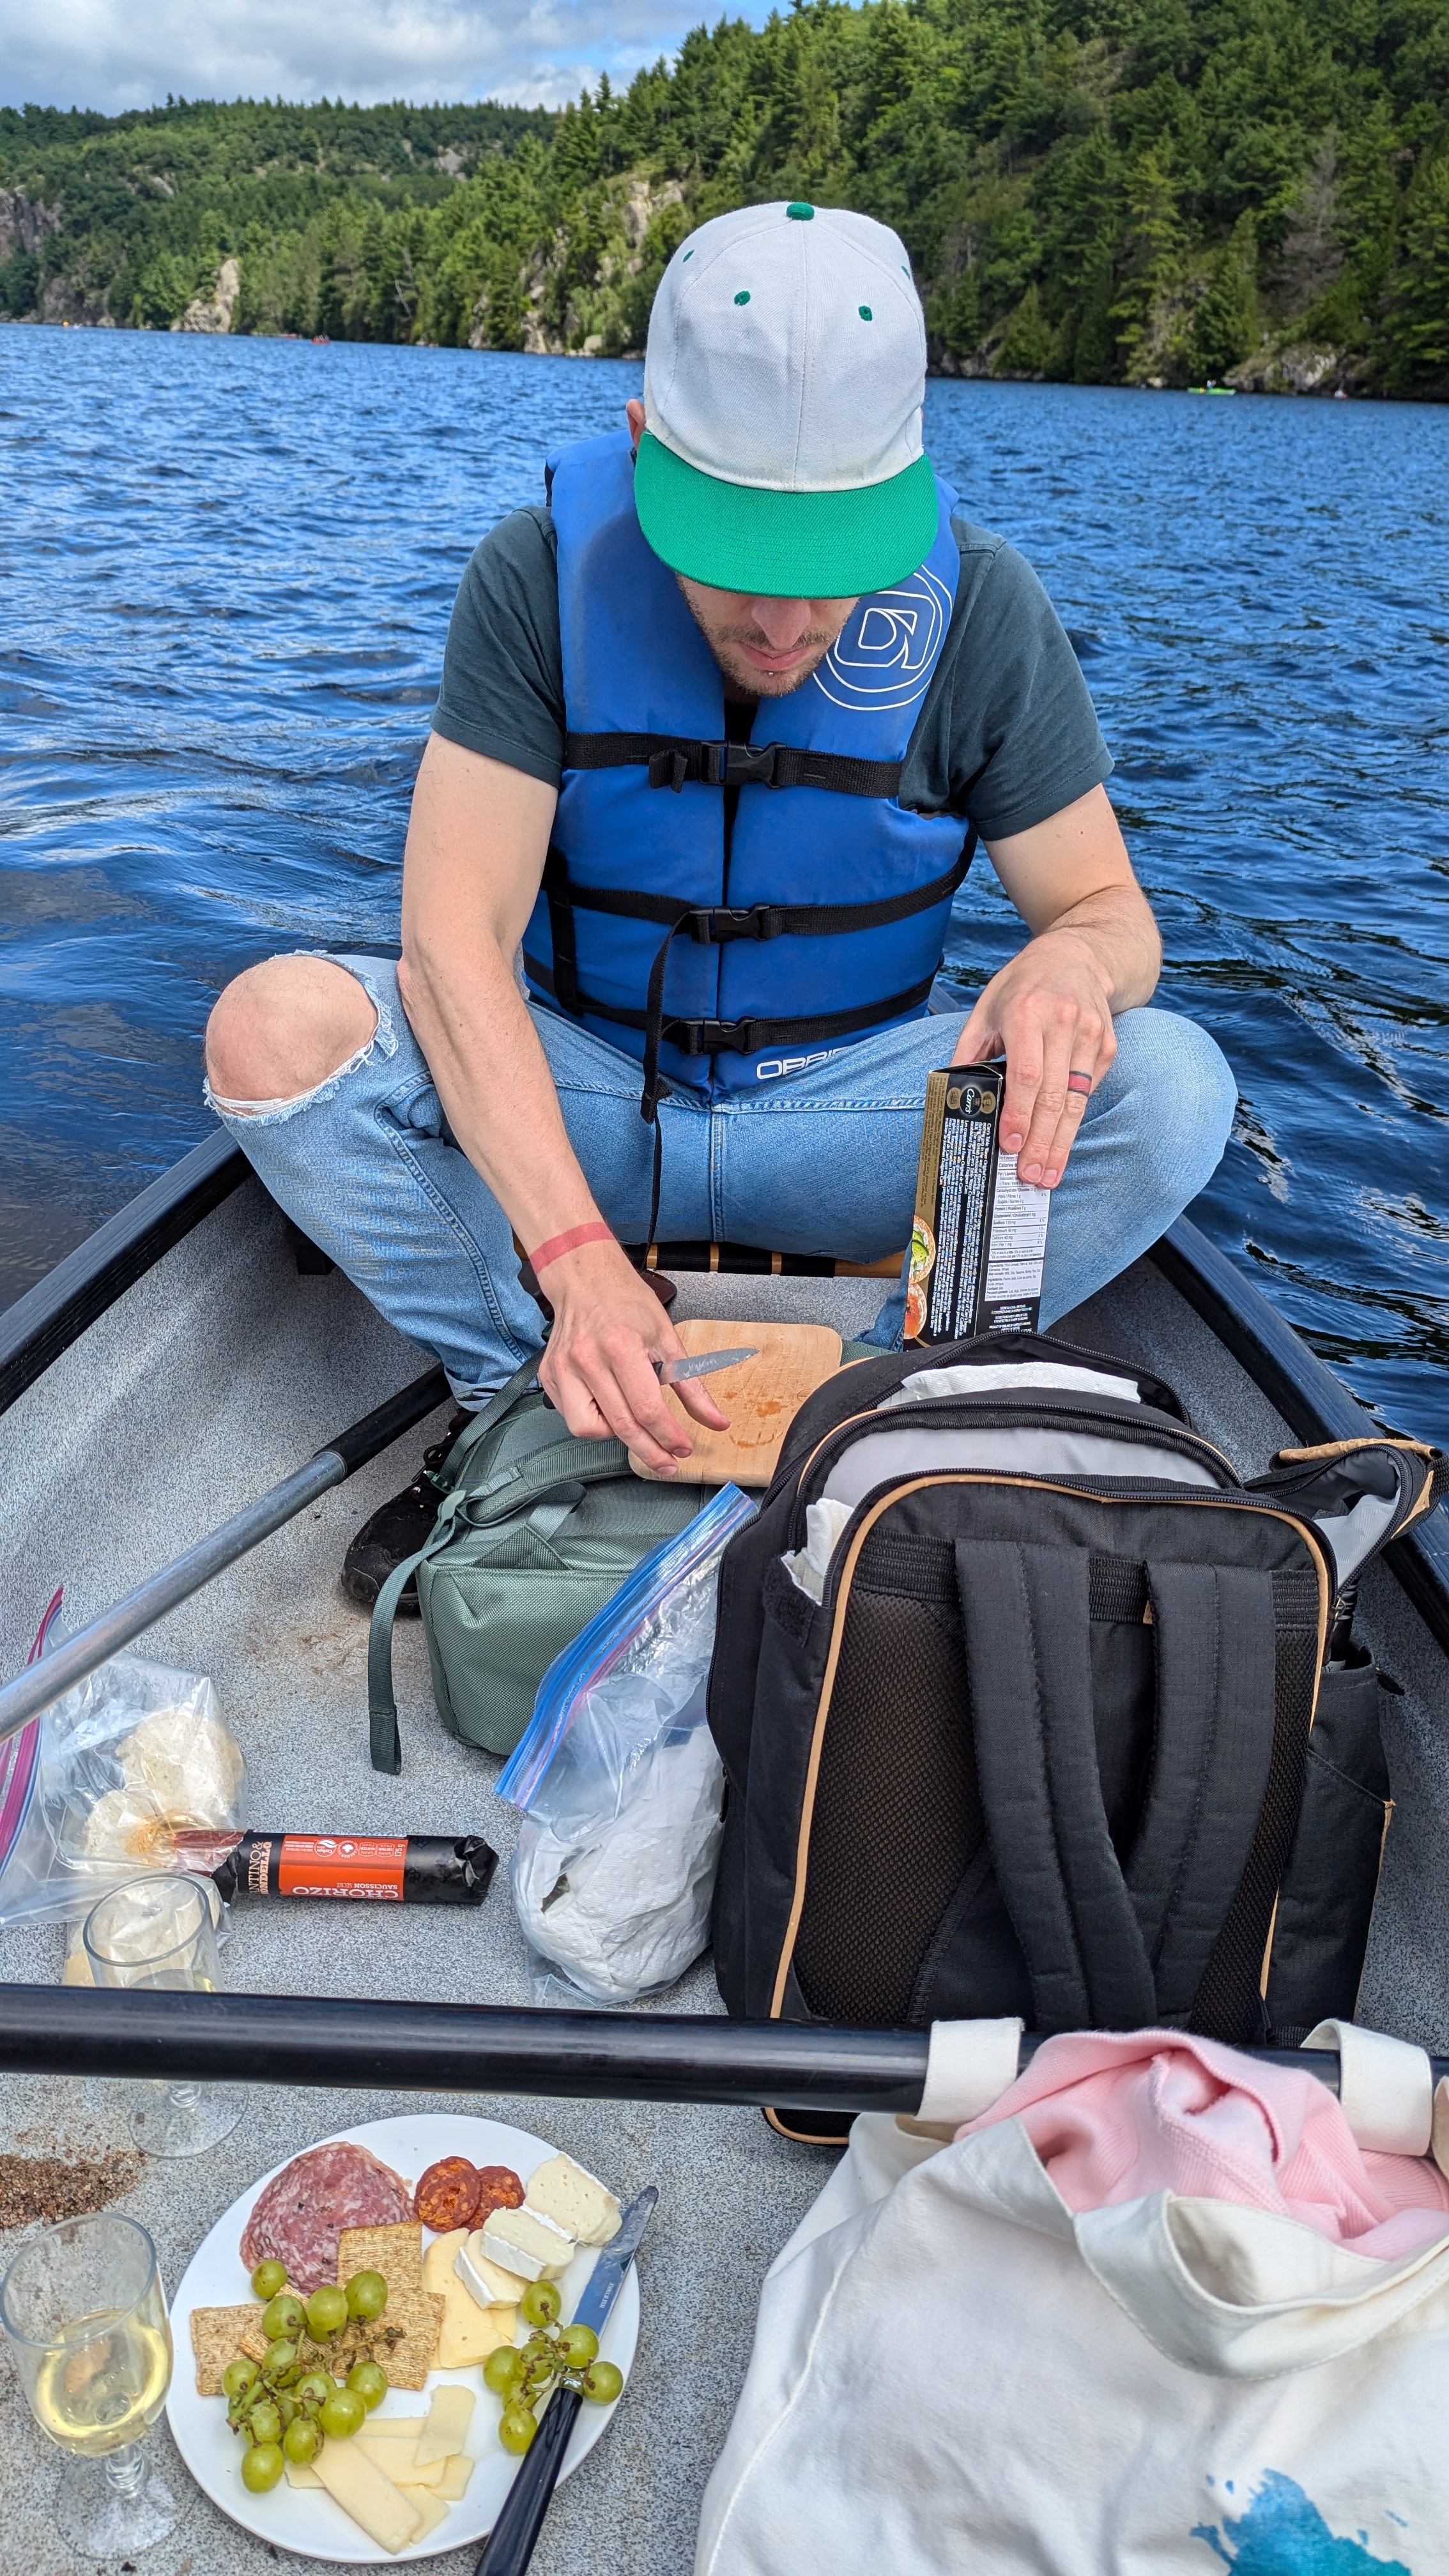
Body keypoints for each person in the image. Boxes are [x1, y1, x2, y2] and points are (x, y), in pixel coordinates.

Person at [204, 199, 1236, 1606]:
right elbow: (454, 944)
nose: (782, 627)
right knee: (272, 1033)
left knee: (1174, 1082)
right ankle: (517, 1388)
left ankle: (878, 1410)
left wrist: (1078, 965)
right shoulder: (532, 580)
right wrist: (572, 1261)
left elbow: (1113, 911)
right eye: (738, 560)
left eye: (824, 576)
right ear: (643, 452)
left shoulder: (986, 611)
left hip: (842, 1120)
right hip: (589, 1103)